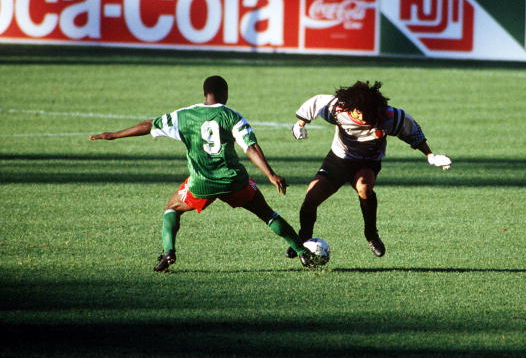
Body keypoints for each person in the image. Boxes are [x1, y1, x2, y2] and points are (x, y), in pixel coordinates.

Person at [89, 75, 315, 271]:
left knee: (172, 208)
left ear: (205, 93)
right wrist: (270, 174)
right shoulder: (232, 116)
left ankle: (168, 252)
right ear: (225, 93)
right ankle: (303, 253)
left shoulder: (184, 116)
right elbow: (250, 147)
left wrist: (114, 135)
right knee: (266, 213)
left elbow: (149, 125)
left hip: (202, 183)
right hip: (234, 180)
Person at [286, 80, 452, 259]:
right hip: (338, 161)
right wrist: (299, 125)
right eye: (359, 112)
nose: (363, 116)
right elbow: (316, 102)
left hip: (367, 162)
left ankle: (371, 234)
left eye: (368, 112)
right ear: (351, 108)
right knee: (311, 198)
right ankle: (303, 238)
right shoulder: (337, 110)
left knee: (364, 187)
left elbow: (412, 131)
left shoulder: (388, 117)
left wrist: (430, 155)